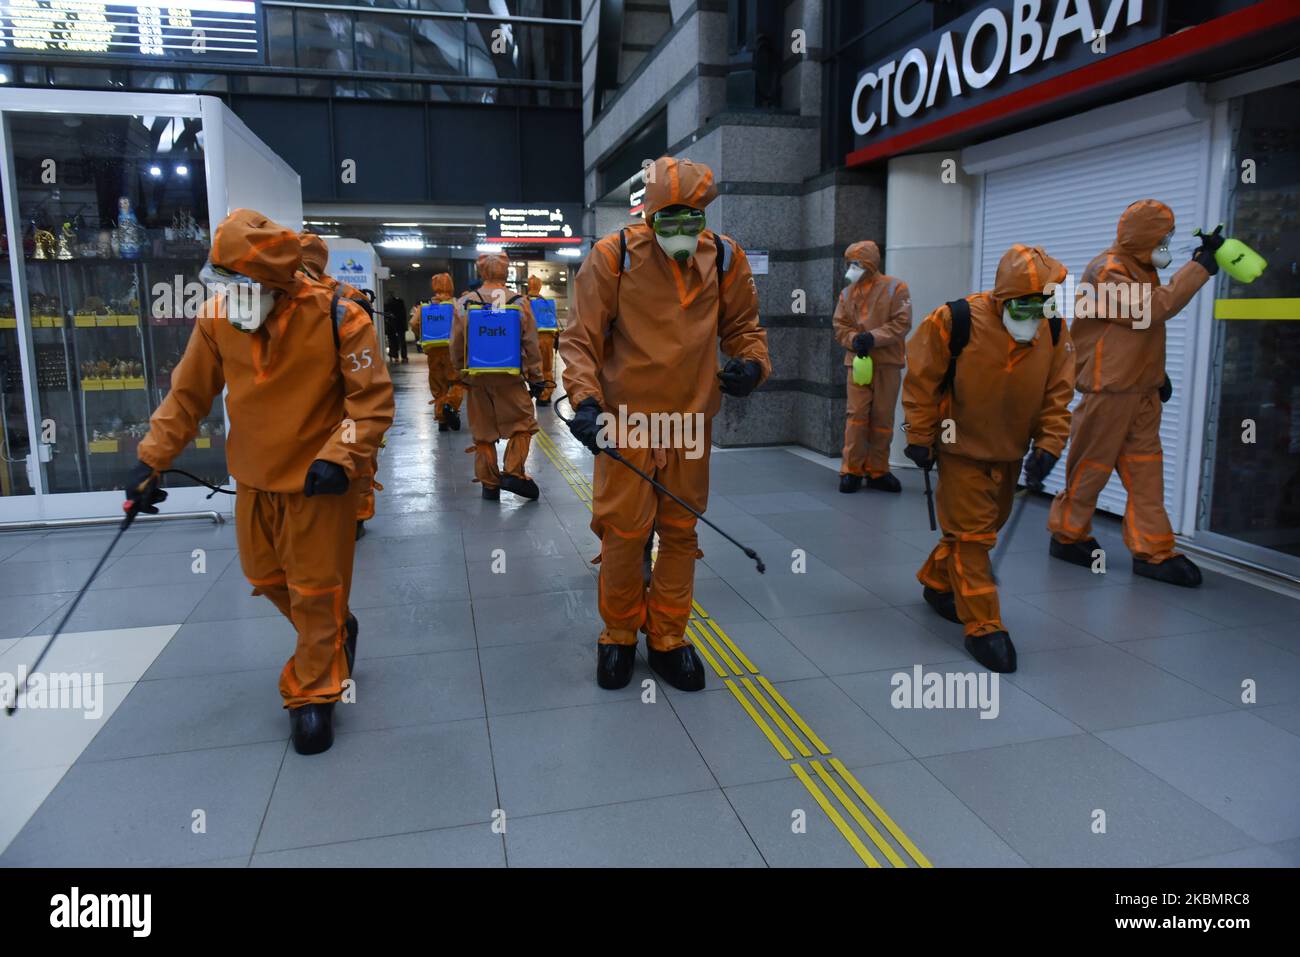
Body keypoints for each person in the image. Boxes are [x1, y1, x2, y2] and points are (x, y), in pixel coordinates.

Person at [127, 209, 393, 754]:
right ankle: (338, 629)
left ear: (276, 280)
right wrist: (152, 459)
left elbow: (370, 404)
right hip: (253, 478)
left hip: (320, 482)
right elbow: (188, 396)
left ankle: (314, 692)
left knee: (314, 589)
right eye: (220, 282)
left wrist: (340, 455)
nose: (227, 294)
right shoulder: (218, 319)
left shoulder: (341, 316)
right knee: (266, 574)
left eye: (239, 283)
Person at [561, 155, 769, 692]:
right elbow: (581, 337)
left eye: (691, 218)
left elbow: (745, 327)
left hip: (689, 426)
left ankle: (668, 637)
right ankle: (618, 635)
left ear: (705, 214)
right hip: (625, 426)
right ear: (647, 215)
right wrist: (585, 401)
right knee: (624, 536)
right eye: (667, 219)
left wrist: (751, 365)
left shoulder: (725, 259)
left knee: (679, 535)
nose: (681, 229)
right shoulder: (614, 257)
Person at [903, 244, 1074, 673]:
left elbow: (1058, 393)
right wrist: (921, 436)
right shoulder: (954, 321)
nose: (1035, 310)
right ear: (1002, 298)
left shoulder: (1052, 330)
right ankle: (984, 625)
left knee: (983, 527)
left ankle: (938, 581)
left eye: (1043, 301)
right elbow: (922, 381)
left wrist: (1050, 444)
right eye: (1025, 302)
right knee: (973, 538)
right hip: (961, 449)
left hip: (1010, 451)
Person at [1047, 200, 1222, 587]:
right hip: (1108, 390)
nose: (1166, 244)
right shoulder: (1107, 270)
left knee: (1147, 471)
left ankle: (1154, 551)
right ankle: (1067, 535)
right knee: (1091, 466)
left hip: (1139, 389)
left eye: (1170, 238)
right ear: (1143, 237)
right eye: (1163, 238)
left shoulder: (1139, 268)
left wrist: (1155, 375)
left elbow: (1134, 333)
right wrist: (1199, 269)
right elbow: (1149, 311)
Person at [299, 232, 382, 539]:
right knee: (355, 444)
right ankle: (356, 514)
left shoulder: (277, 297)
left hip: (306, 395)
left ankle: (323, 509)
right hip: (349, 390)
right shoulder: (351, 297)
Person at [451, 251, 545, 500]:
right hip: (511, 376)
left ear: (481, 272)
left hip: (476, 377)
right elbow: (531, 344)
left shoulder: (464, 303)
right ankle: (513, 472)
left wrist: (460, 372)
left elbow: (456, 344)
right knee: (522, 423)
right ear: (505, 271)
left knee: (483, 432)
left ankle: (489, 484)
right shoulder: (518, 301)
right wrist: (536, 376)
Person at [833, 240, 912, 493]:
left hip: (887, 362)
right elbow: (840, 325)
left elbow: (902, 323)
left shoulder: (896, 288)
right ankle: (851, 470)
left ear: (870, 263)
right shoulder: (847, 293)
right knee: (856, 416)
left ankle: (878, 470)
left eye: (856, 263)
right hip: (857, 362)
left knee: (882, 417)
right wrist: (853, 340)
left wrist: (873, 338)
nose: (852, 268)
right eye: (850, 263)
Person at [409, 272, 464, 432]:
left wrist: (423, 334)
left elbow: (413, 323)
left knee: (438, 385)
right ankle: (450, 405)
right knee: (457, 382)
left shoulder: (425, 307)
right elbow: (463, 326)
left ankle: (441, 419)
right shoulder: (455, 306)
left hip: (432, 350)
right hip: (452, 350)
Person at [527, 275, 560, 406]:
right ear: (539, 286)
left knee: (535, 369)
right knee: (547, 367)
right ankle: (546, 394)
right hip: (548, 339)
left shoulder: (524, 301)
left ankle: (539, 393)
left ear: (529, 285)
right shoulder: (547, 302)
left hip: (532, 339)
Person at [384, 290, 408, 363]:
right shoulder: (400, 302)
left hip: (391, 325)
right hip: (400, 325)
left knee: (392, 341)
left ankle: (395, 356)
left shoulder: (387, 304)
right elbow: (404, 314)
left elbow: (386, 316)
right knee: (402, 341)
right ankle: (404, 357)